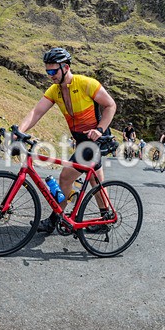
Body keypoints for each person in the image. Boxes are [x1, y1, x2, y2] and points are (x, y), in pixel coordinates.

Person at [17, 47, 117, 234]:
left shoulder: (87, 83)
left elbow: (110, 105)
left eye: (53, 71)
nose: (50, 75)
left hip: (94, 140)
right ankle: (106, 217)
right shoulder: (55, 91)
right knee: (96, 181)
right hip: (81, 141)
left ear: (66, 67)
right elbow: (36, 112)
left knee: (65, 176)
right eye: (47, 71)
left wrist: (100, 129)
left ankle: (56, 219)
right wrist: (19, 131)